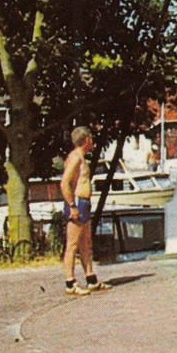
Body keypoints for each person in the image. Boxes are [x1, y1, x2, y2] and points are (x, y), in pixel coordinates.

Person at [61, 126, 109, 296]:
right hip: (78, 203)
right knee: (73, 245)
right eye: (92, 139)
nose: (93, 142)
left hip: (84, 203)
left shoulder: (80, 157)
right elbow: (64, 183)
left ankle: (91, 279)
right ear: (87, 140)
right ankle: (70, 282)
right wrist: (72, 206)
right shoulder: (75, 158)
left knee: (86, 243)